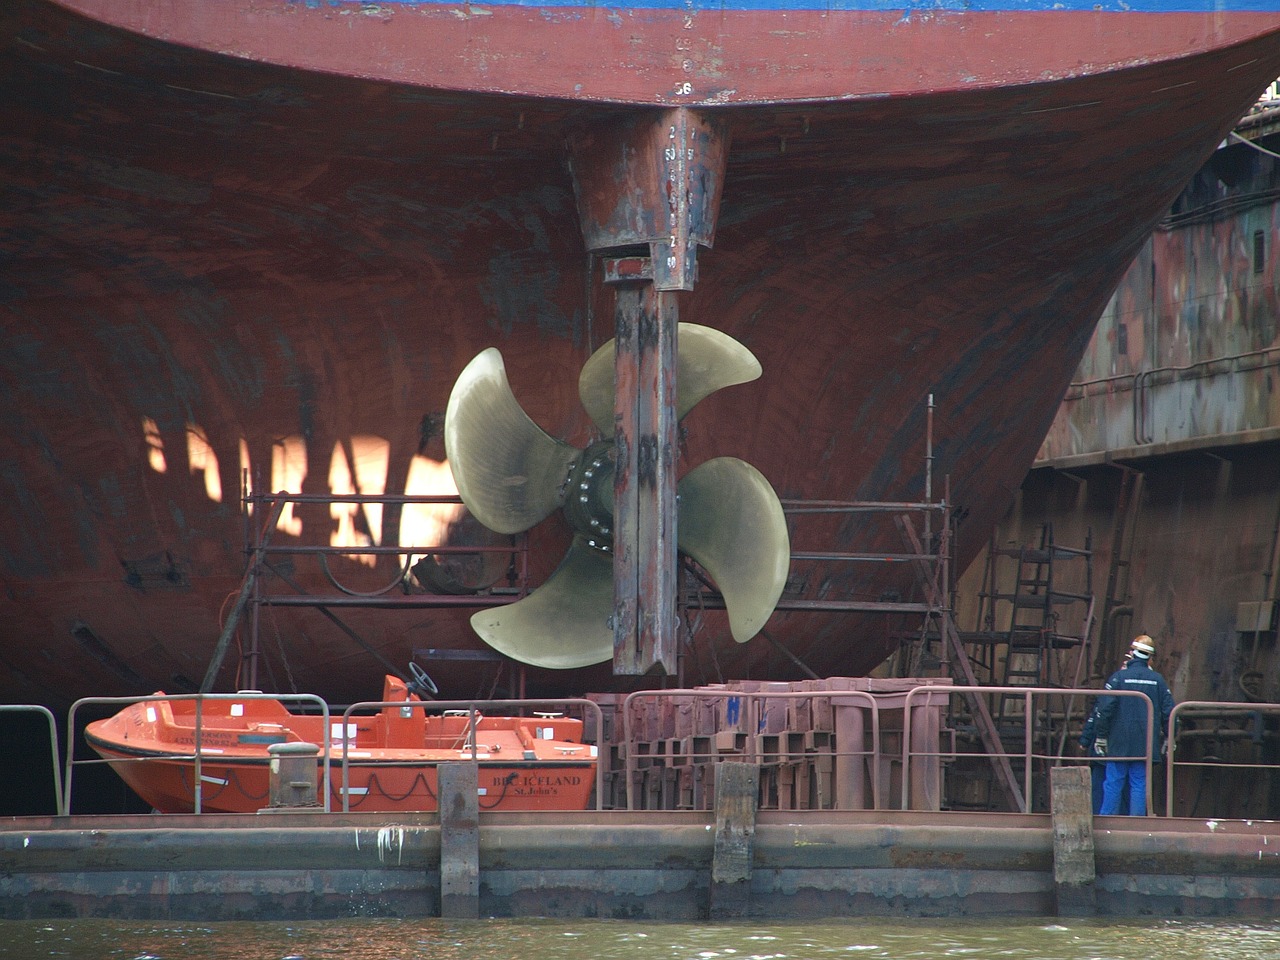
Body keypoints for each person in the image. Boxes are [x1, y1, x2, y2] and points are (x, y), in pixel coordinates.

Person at [1093, 634, 1175, 816]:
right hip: (1145, 743)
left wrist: (1101, 736)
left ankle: (1108, 820)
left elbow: (1105, 709)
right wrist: (1170, 736)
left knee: (1113, 782)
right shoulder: (1158, 680)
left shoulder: (1118, 678)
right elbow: (1169, 711)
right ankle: (1136, 823)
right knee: (1139, 783)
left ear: (1132, 653)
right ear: (1150, 657)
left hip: (1119, 742)